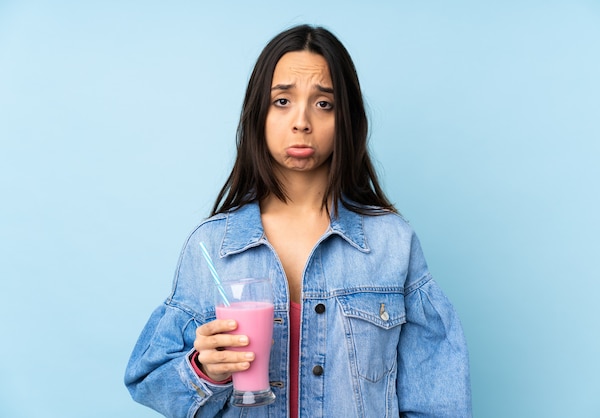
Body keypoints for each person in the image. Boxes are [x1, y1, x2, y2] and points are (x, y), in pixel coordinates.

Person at [125, 24, 472, 417]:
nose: (302, 122)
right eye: (282, 101)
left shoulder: (392, 243)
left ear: (347, 119)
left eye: (324, 104)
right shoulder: (211, 247)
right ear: (259, 113)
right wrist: (205, 370)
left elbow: (439, 402)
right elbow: (148, 379)